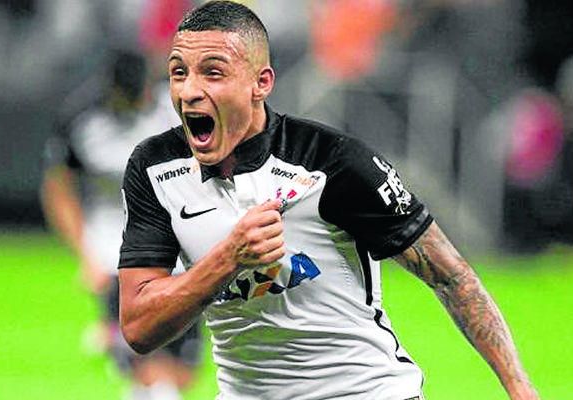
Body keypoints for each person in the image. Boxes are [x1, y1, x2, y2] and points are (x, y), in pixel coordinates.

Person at [117, 2, 540, 399]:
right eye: (178, 72)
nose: (189, 90)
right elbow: (138, 328)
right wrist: (229, 258)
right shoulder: (155, 168)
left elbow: (452, 277)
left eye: (213, 73)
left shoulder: (332, 162)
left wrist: (521, 391)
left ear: (261, 83)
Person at [41, 49, 201, 400]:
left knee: (182, 374)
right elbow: (58, 188)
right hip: (114, 246)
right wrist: (85, 253)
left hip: (175, 243)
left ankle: (118, 349)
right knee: (149, 364)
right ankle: (123, 348)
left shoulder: (178, 110)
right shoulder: (81, 119)